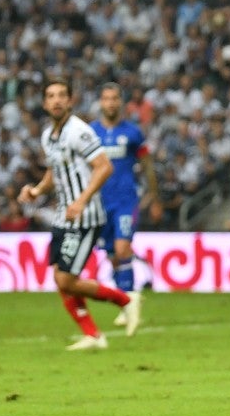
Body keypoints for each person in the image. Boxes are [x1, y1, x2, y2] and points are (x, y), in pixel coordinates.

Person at [17, 79, 139, 350]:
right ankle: (93, 336)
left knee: (65, 279)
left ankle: (125, 301)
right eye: (51, 96)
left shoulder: (79, 131)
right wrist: (37, 191)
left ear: (70, 100)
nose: (57, 100)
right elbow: (54, 173)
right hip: (64, 215)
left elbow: (104, 166)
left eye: (62, 95)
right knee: (62, 279)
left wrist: (82, 201)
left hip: (85, 217)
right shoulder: (48, 135)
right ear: (44, 103)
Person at [91, 82, 160, 329]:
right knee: (110, 255)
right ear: (101, 102)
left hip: (125, 200)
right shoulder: (90, 133)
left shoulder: (133, 132)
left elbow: (148, 164)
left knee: (122, 249)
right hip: (99, 203)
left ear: (121, 102)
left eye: (114, 98)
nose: (110, 103)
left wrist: (154, 196)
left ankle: (129, 302)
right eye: (106, 98)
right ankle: (124, 301)